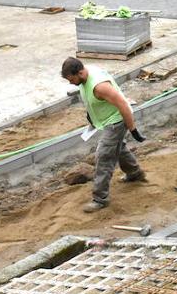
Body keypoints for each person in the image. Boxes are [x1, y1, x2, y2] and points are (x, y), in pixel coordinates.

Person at [61, 57, 147, 212]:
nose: (70, 83)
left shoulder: (100, 86)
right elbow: (90, 99)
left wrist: (133, 129)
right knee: (118, 148)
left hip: (116, 121)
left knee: (104, 156)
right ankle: (135, 173)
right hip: (105, 120)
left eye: (71, 79)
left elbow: (123, 104)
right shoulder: (84, 76)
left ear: (80, 72)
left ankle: (100, 199)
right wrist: (91, 117)